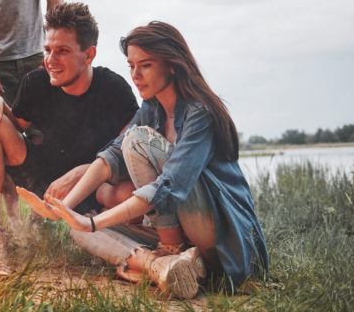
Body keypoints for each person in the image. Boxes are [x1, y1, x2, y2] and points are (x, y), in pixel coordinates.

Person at [19, 21, 269, 298]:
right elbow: (110, 158)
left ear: (172, 65)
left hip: (222, 236)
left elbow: (168, 187)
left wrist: (93, 223)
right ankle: (164, 266)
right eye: (131, 66)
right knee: (78, 231)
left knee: (135, 141)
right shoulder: (152, 107)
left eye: (146, 65)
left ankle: (165, 255)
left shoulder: (201, 113)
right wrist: (65, 208)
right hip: (186, 236)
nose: (135, 75)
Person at [0, 2, 138, 259]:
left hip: (92, 187)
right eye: (48, 50)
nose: (50, 60)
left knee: (127, 192)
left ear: (89, 54)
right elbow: (14, 126)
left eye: (62, 51)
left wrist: (85, 172)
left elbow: (132, 152)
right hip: (40, 178)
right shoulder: (36, 83)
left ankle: (118, 239)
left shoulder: (114, 89)